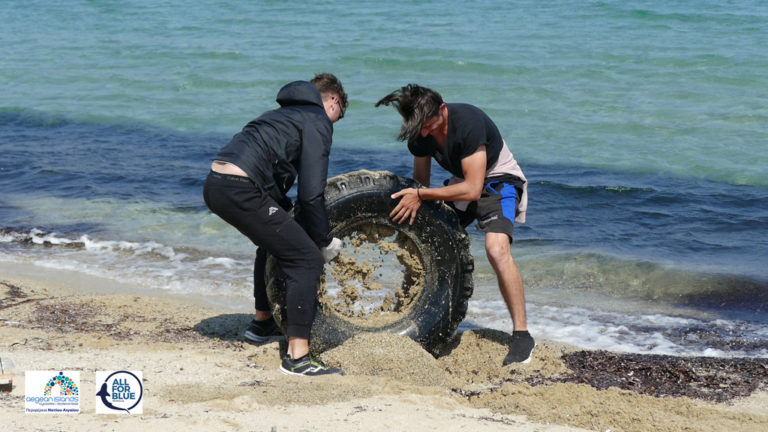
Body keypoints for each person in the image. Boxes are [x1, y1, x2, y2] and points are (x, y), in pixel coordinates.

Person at [375, 84, 535, 364]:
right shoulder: (420, 132)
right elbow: (420, 184)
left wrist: (422, 195)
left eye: (429, 125)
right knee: (420, 234)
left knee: (496, 250)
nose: (425, 132)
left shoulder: (468, 124)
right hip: (464, 182)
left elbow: (473, 190)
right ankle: (408, 311)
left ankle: (522, 334)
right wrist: (417, 213)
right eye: (419, 127)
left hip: (498, 180)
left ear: (443, 109)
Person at [203, 73, 347, 376]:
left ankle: (262, 323)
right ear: (334, 101)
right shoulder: (318, 119)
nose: (333, 124)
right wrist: (324, 240)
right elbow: (311, 194)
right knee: (306, 259)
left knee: (273, 242)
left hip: (216, 183)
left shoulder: (280, 114)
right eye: (338, 116)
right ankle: (298, 358)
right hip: (240, 187)